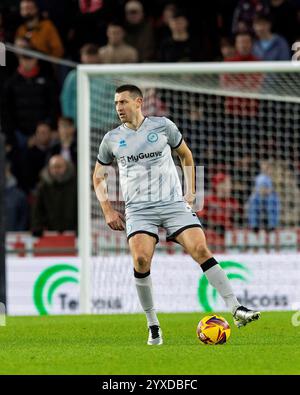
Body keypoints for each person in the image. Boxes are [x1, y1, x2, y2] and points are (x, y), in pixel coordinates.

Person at [93, 84, 261, 345]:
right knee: (140, 260)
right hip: (139, 209)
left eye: (123, 102)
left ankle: (236, 308)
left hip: (172, 203)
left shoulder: (163, 126)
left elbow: (186, 155)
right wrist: (107, 210)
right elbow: (98, 176)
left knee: (201, 250)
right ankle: (153, 325)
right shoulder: (112, 139)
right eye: (116, 104)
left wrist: (191, 192)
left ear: (138, 102)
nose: (119, 108)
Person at [31, 155, 77, 236]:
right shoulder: (43, 187)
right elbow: (37, 210)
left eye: (59, 167)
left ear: (66, 167)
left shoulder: (75, 186)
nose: (56, 170)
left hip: (73, 233)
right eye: (53, 167)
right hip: (49, 233)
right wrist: (37, 227)